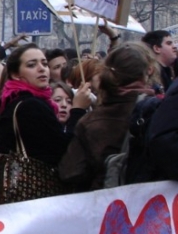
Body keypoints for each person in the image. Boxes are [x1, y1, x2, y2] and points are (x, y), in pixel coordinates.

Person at [0, 45, 93, 205]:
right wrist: (77, 110)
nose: (41, 69)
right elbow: (63, 149)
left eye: (44, 64)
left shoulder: (17, 101)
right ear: (16, 74)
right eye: (32, 65)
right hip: (29, 197)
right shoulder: (30, 105)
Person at [59, 43, 156, 191]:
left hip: (106, 203)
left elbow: (70, 173)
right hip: (152, 203)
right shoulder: (156, 111)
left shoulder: (91, 121)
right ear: (147, 73)